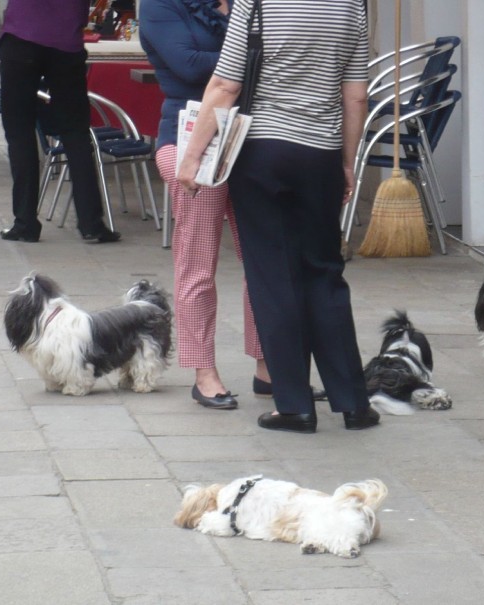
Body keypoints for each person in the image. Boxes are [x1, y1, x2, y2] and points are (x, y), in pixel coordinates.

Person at [178, 0, 378, 433]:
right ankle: (354, 403)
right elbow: (356, 93)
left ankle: (294, 405)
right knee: (325, 274)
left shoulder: (259, 3)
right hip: (321, 153)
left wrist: (192, 156)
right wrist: (347, 162)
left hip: (263, 151)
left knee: (273, 277)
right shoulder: (351, 8)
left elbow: (226, 85)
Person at [140, 0, 274, 410]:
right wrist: (254, 56)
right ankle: (204, 372)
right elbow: (190, 66)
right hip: (188, 142)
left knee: (265, 261)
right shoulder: (160, 5)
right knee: (198, 262)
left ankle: (269, 365)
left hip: (250, 138)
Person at [0, 0, 120, 244]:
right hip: (65, 42)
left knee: (19, 131)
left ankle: (25, 223)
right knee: (75, 132)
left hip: (21, 38)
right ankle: (91, 224)